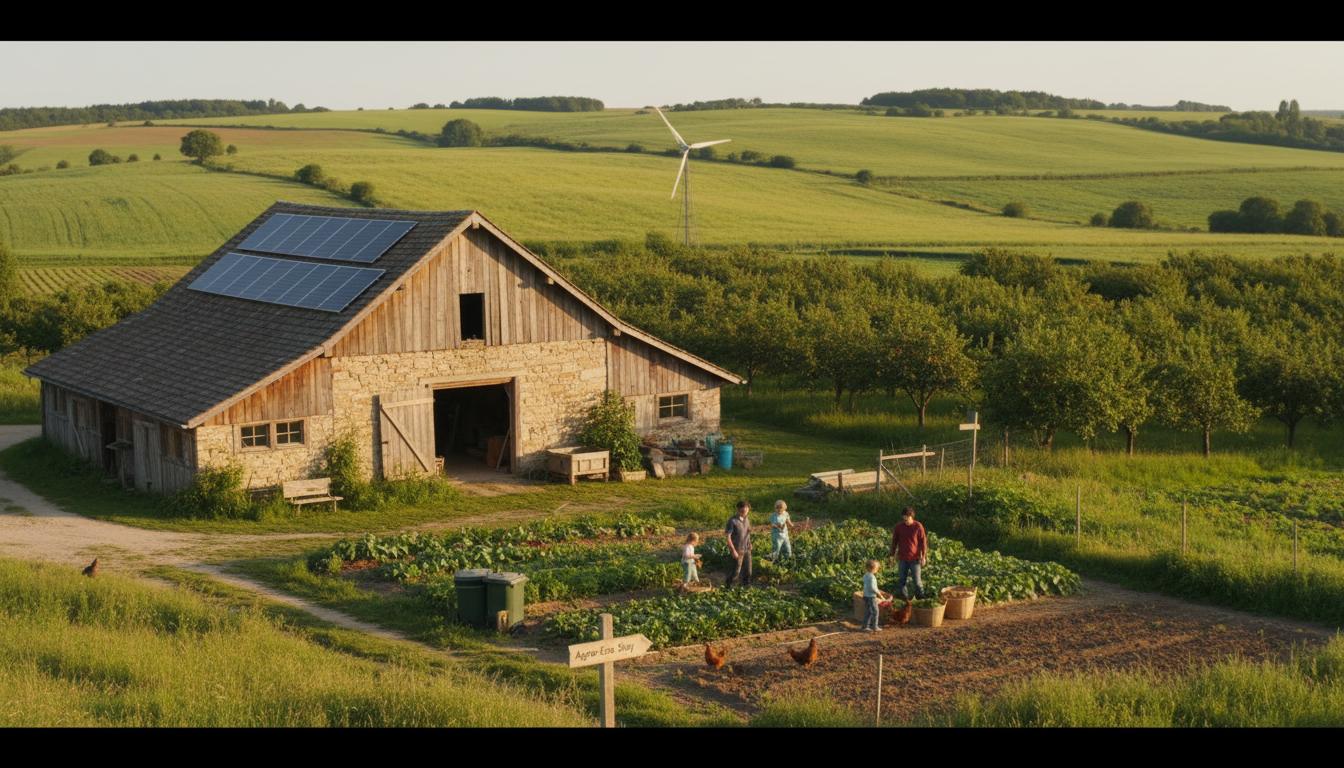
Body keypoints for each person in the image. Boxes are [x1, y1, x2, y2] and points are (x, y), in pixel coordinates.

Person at [888, 506, 928, 601]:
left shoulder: (918, 526)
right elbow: (894, 542)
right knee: (902, 581)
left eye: (907, 519)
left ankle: (921, 599)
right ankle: (905, 600)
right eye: (904, 519)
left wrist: (924, 557)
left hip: (915, 559)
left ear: (912, 517)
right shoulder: (899, 527)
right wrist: (891, 555)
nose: (905, 521)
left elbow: (923, 542)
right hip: (902, 558)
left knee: (917, 581)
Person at [724, 500, 753, 588]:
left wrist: (750, 542)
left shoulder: (747, 519)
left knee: (748, 570)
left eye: (746, 511)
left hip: (746, 548)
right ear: (738, 510)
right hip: (737, 549)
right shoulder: (732, 521)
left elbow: (748, 532)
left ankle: (746, 584)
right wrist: (733, 551)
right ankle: (729, 586)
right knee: (736, 570)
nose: (744, 513)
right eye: (742, 511)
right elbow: (728, 538)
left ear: (748, 510)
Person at [861, 559, 892, 632]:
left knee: (868, 611)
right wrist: (879, 594)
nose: (877, 570)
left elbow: (868, 586)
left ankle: (865, 626)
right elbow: (873, 588)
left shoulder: (865, 575)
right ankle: (875, 626)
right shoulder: (872, 577)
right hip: (871, 597)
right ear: (873, 569)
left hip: (865, 596)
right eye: (877, 568)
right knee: (875, 611)